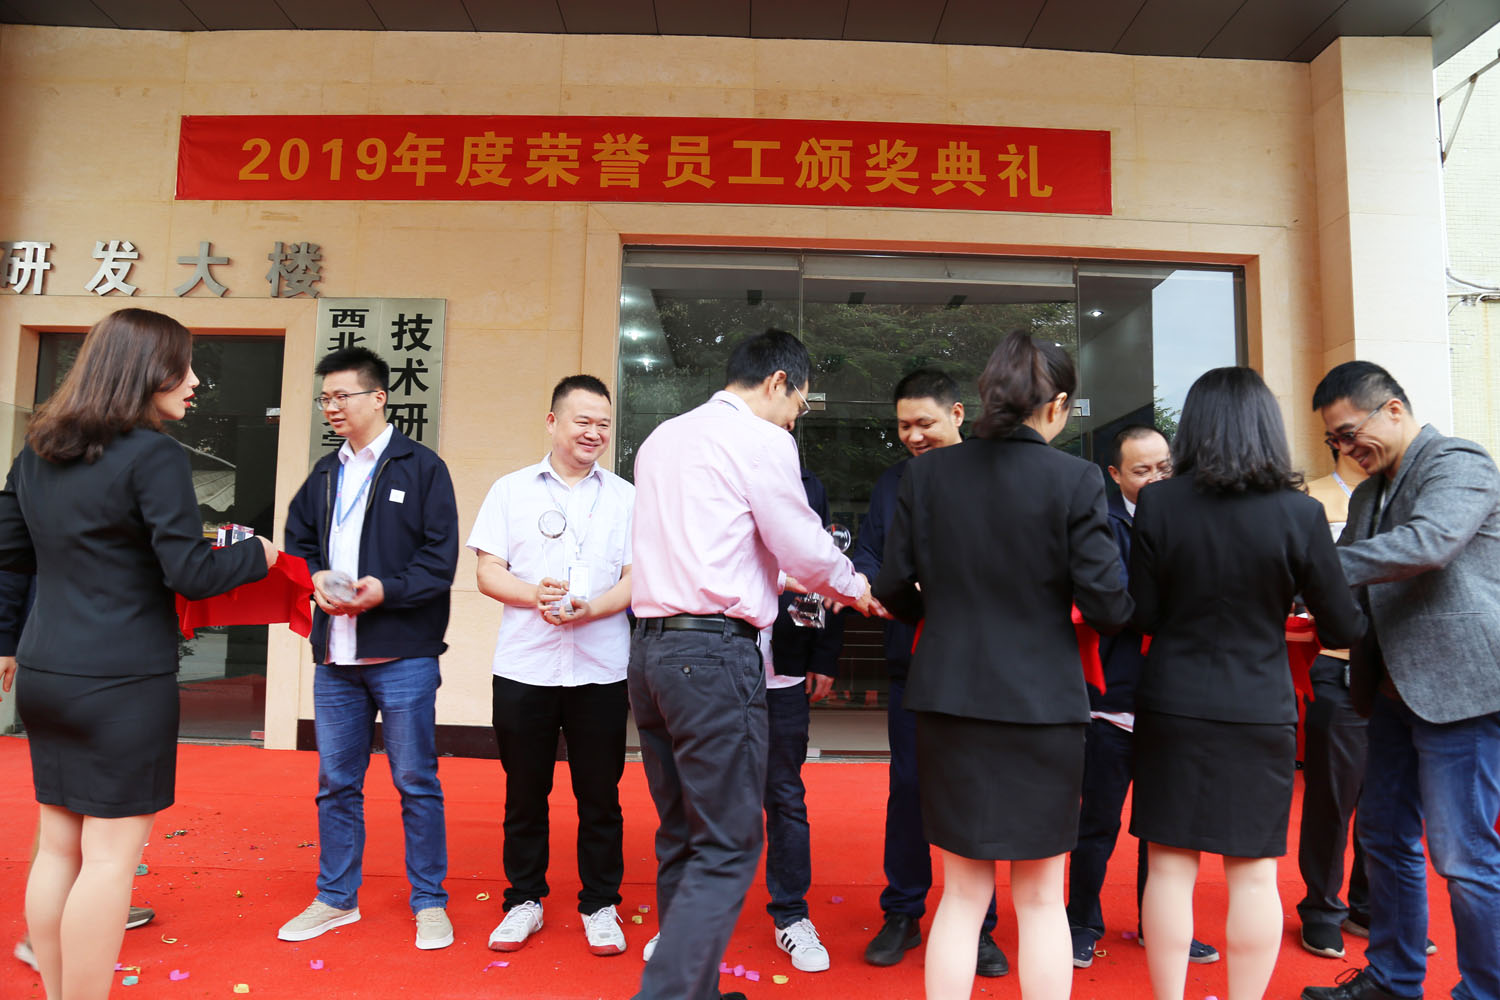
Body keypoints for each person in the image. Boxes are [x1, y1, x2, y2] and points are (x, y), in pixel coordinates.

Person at [0, 307, 277, 1000]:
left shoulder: (35, 452)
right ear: (148, 369)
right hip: (122, 681)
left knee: (58, 846)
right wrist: (260, 556)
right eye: (185, 366)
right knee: (108, 861)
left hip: (45, 673)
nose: (195, 381)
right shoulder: (154, 455)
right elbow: (191, 573)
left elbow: (11, 555)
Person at [873, 331, 1134, 1000]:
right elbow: (1109, 606)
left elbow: (893, 586)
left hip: (950, 698)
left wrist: (940, 610)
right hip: (1043, 705)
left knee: (961, 895)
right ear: (1059, 404)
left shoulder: (927, 475)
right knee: (1042, 898)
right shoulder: (1075, 479)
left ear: (985, 396)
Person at [628, 328, 882, 1000]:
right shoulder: (762, 439)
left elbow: (711, 549)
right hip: (712, 658)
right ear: (777, 382)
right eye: (799, 403)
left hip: (650, 654)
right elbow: (800, 544)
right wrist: (854, 586)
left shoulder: (662, 439)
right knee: (729, 842)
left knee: (682, 832)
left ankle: (694, 990)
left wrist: (781, 577)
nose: (796, 418)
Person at [1128, 366, 1364, 1000]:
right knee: (1254, 874)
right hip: (1259, 705)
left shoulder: (1158, 503)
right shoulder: (1301, 513)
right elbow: (1342, 623)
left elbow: (1141, 614)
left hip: (1172, 700)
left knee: (1169, 868)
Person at [1302, 361, 1500, 1000]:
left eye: (1349, 432)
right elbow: (1356, 586)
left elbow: (1428, 544)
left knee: (1463, 857)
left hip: (1460, 693)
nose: (1345, 448)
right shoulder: (1367, 494)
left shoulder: (1458, 462)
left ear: (1392, 409)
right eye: (1333, 440)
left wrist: (1311, 568)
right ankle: (1392, 980)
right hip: (1386, 691)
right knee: (1384, 839)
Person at [279, 346, 460, 951]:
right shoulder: (325, 472)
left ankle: (429, 901)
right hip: (336, 657)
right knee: (336, 782)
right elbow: (298, 541)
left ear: (379, 397)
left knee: (415, 780)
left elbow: (439, 561)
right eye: (325, 398)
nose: (331, 407)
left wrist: (385, 591)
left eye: (342, 396)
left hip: (403, 654)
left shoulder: (422, 468)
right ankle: (335, 898)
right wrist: (314, 580)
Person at [467, 374, 635, 957]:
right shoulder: (510, 490)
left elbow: (637, 578)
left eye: (603, 424)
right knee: (524, 792)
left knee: (601, 795)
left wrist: (594, 608)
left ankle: (601, 904)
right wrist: (531, 595)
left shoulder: (627, 496)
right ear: (552, 422)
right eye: (582, 420)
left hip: (601, 668)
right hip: (525, 667)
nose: (594, 432)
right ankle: (524, 901)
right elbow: (487, 571)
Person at [850, 368, 1008, 978]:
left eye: (925, 423)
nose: (913, 436)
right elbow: (868, 556)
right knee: (910, 788)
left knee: (978, 793)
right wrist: (882, 587)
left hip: (983, 665)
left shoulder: (995, 475)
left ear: (958, 414)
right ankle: (903, 911)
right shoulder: (893, 483)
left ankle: (980, 925)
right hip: (911, 660)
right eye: (904, 426)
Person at [1066, 425, 1219, 969]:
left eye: (1164, 467)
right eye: (1142, 470)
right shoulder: (1101, 525)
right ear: (1115, 475)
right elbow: (1114, 603)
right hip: (1112, 699)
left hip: (1175, 698)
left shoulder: (1193, 521)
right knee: (1097, 822)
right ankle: (1081, 921)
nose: (1156, 479)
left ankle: (1162, 923)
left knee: (1167, 828)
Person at [2, 570, 157, 973]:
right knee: (70, 817)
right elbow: (11, 558)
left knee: (69, 814)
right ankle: (53, 930)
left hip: (69, 648)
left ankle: (79, 910)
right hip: (74, 653)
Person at [761, 466, 845, 973]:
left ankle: (791, 914)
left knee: (786, 798)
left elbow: (824, 569)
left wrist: (823, 657)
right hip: (718, 669)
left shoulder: (807, 484)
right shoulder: (716, 474)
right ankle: (690, 917)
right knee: (705, 799)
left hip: (786, 673)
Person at [1297, 444, 1374, 960]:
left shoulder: (1423, 499)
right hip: (1342, 663)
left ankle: (1370, 905)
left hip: (1402, 676)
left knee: (1388, 803)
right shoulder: (1345, 500)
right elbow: (1318, 582)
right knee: (1331, 799)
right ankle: (1322, 909)